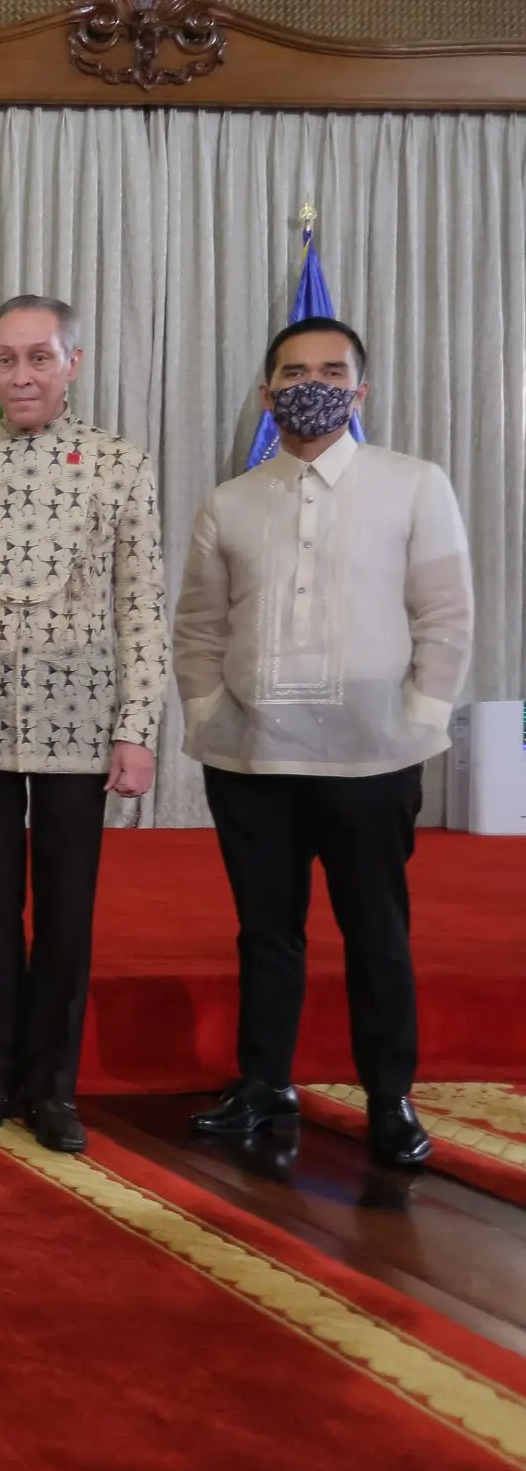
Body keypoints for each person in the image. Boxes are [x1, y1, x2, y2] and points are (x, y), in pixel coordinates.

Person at [176, 318, 473, 1168]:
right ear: (268, 395)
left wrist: (420, 721)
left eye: (331, 371)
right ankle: (264, 1084)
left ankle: (391, 1097)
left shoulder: (412, 485)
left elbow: (445, 616)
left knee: (376, 930)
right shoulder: (229, 503)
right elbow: (197, 626)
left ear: (359, 390)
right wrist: (205, 714)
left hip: (370, 759)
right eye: (294, 372)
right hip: (253, 758)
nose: (313, 383)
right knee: (266, 932)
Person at [0, 295, 166, 1154]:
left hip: (80, 720)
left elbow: (142, 607)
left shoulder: (120, 467)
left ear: (73, 363)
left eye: (39, 359)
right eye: (7, 360)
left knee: (65, 908)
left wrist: (134, 723)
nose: (22, 375)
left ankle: (55, 1088)